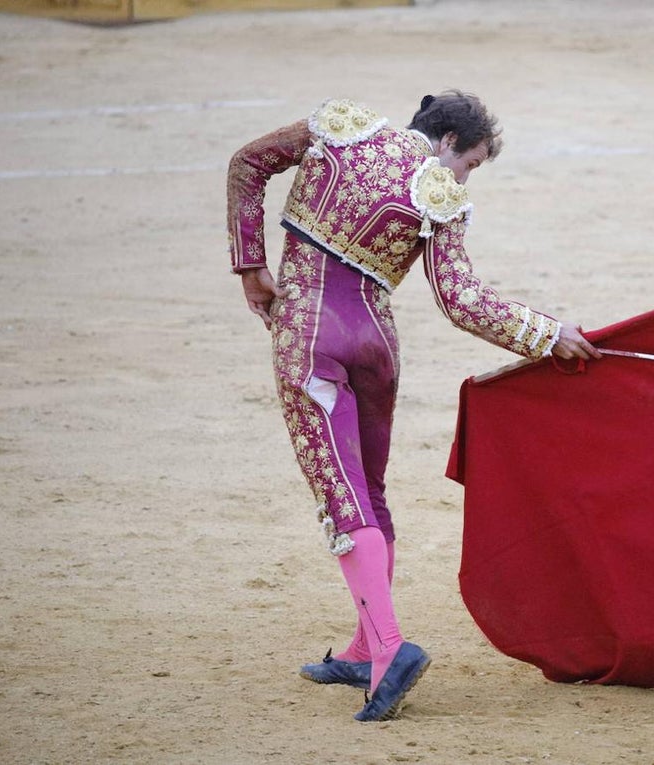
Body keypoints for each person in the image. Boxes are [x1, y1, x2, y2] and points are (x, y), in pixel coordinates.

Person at [226, 90, 600, 722]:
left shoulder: (340, 129)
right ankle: (363, 648)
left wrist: (250, 265)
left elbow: (246, 164)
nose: (465, 178)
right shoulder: (438, 192)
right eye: (471, 164)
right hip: (376, 344)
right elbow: (460, 299)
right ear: (448, 140)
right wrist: (546, 332)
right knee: (368, 494)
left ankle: (388, 649)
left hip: (309, 335)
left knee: (345, 500)